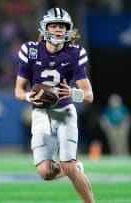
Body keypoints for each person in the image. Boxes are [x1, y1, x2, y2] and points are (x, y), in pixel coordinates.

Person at [14, 7, 95, 203]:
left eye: (62, 27)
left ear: (68, 30)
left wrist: (73, 93)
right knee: (45, 172)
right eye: (54, 26)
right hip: (41, 114)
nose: (58, 30)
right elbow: (18, 91)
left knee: (68, 165)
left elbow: (89, 95)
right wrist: (28, 97)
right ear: (45, 28)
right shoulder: (31, 51)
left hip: (64, 112)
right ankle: (74, 169)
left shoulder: (75, 53)